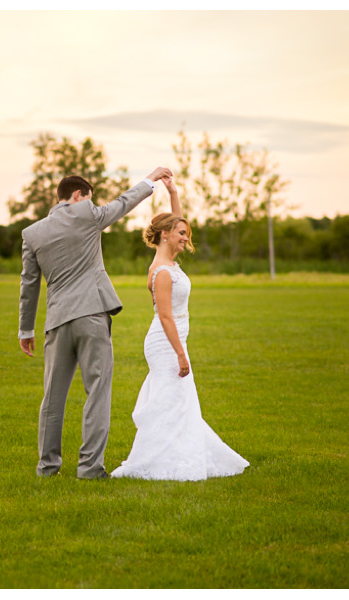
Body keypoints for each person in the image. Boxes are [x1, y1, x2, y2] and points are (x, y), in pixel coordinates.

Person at [17, 167, 173, 480]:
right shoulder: (87, 214)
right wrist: (150, 179)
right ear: (78, 196)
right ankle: (89, 468)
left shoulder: (32, 233)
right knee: (98, 392)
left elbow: (29, 284)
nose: (93, 203)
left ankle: (47, 468)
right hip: (91, 315)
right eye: (90, 197)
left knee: (52, 398)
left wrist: (26, 329)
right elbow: (123, 203)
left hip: (57, 321)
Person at [111, 175, 249, 481]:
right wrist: (181, 355)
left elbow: (177, 222)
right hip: (165, 343)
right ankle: (155, 459)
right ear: (165, 235)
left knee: (179, 402)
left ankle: (177, 452)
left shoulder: (169, 259)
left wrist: (173, 192)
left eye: (186, 233)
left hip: (173, 340)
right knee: (170, 400)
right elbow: (165, 317)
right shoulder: (161, 271)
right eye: (181, 234)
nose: (185, 238)